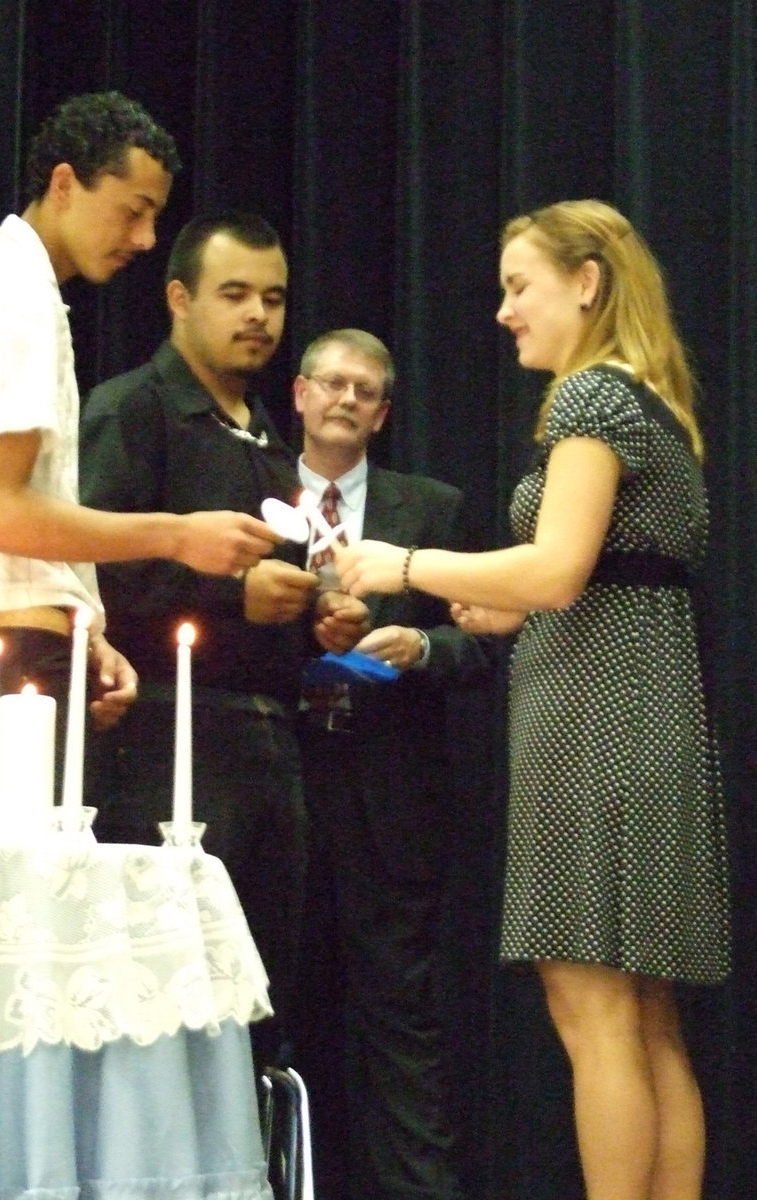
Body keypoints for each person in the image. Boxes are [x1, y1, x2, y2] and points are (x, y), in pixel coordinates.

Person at [336, 200, 731, 1200]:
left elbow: (557, 571)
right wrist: (498, 605)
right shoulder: (655, 400)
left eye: (521, 286)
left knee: (592, 1009)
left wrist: (405, 561)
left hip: (596, 727)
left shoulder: (592, 398)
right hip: (649, 715)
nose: (506, 311)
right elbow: (596, 576)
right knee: (645, 1019)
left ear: (586, 283)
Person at [0, 93, 281, 844]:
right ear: (64, 184)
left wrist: (84, 628)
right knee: (26, 931)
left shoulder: (6, 286)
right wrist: (177, 535)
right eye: (132, 210)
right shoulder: (14, 298)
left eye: (155, 215)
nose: (146, 236)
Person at [78, 212, 367, 1066]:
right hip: (164, 738)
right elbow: (90, 568)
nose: (259, 317)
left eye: (274, 299)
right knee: (160, 1003)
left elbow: (271, 594)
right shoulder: (132, 410)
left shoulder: (271, 437)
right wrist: (236, 594)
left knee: (253, 1007)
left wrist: (319, 613)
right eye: (235, 294)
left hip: (270, 743)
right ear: (178, 298)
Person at [290, 329, 490, 1200]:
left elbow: (484, 643)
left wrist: (423, 646)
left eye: (364, 390)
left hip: (392, 805)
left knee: (401, 1034)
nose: (345, 398)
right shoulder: (239, 498)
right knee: (267, 1024)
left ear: (384, 412)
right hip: (273, 791)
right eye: (331, 382)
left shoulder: (432, 508)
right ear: (298, 395)